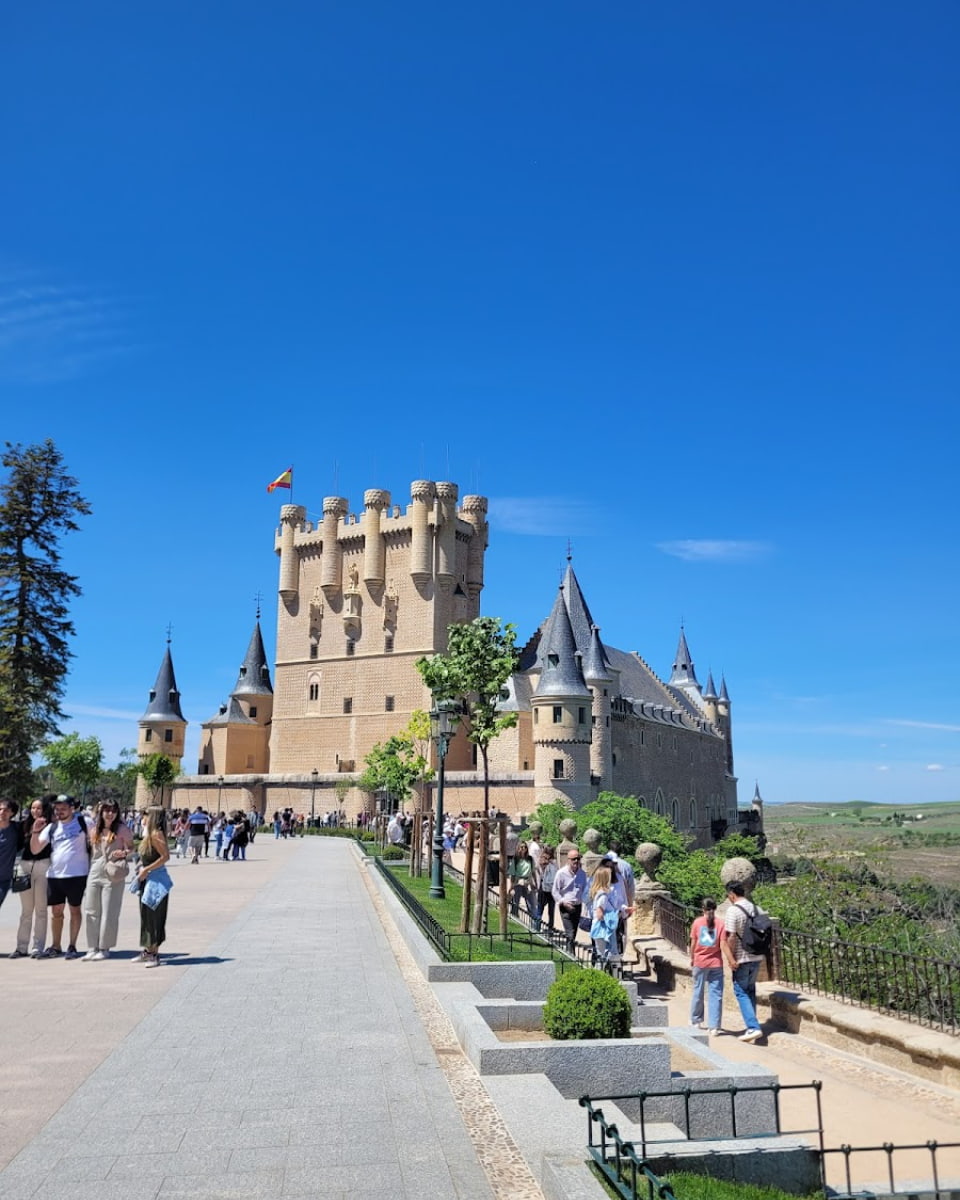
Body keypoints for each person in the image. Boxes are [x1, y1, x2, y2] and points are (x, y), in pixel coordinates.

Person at [31, 795, 90, 959]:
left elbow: (97, 837)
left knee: (75, 909)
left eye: (63, 809)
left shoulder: (84, 822)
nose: (59, 812)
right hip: (55, 875)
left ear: (72, 808)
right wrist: (35, 831)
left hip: (77, 874)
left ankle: (72, 945)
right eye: (57, 809)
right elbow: (35, 849)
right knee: (56, 911)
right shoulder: (51, 827)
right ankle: (56, 946)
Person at [82, 801, 134, 960]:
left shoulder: (122, 829)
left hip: (113, 872)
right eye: (107, 810)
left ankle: (104, 947)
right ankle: (92, 946)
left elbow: (132, 848)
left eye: (113, 811)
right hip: (95, 871)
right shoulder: (94, 829)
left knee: (109, 911)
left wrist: (124, 853)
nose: (110, 814)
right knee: (91, 910)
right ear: (101, 812)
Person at [722, 881, 765, 1042]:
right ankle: (752, 1025)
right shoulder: (757, 909)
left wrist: (731, 958)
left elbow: (731, 936)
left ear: (732, 894)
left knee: (740, 991)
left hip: (741, 957)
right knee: (750, 990)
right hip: (756, 956)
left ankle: (753, 1027)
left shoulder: (733, 911)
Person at [14, 796, 54, 957]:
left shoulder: (50, 827)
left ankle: (38, 947)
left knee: (41, 909)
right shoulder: (23, 825)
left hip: (43, 866)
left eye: (38, 808)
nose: (35, 811)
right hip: (24, 867)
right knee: (26, 910)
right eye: (32, 808)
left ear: (45, 809)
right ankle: (21, 947)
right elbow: (17, 846)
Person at [135, 806, 171, 967]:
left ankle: (154, 954)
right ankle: (148, 950)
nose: (142, 817)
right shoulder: (148, 834)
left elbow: (165, 857)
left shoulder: (156, 834)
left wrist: (146, 869)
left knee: (154, 916)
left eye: (145, 815)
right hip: (147, 880)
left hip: (156, 881)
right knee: (146, 915)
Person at [689, 898, 724, 1034]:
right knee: (716, 994)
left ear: (702, 909)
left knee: (698, 991)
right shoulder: (721, 923)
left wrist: (692, 958)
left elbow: (693, 943)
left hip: (700, 961)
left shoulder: (697, 922)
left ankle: (696, 1020)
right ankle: (714, 1025)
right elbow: (723, 943)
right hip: (716, 962)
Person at [552, 848, 587, 954]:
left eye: (578, 859)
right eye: (573, 859)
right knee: (570, 932)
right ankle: (571, 954)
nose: (576, 861)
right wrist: (563, 902)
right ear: (568, 860)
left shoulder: (582, 874)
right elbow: (555, 891)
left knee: (574, 932)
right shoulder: (561, 873)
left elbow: (584, 890)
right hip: (565, 906)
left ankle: (569, 952)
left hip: (577, 906)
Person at [588, 863, 622, 966]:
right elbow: (600, 914)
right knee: (606, 954)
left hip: (599, 927)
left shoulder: (598, 893)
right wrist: (613, 917)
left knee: (603, 954)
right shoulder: (603, 896)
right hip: (603, 928)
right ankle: (615, 973)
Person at [0, 799, 23, 912]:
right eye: (0, 809)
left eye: (6, 810)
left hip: (3, 879)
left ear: (12, 813)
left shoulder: (16, 829)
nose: (2, 812)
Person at [508, 840, 539, 924]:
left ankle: (534, 924)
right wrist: (511, 887)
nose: (523, 849)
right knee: (515, 904)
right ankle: (515, 921)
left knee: (532, 905)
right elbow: (512, 874)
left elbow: (533, 872)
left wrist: (535, 883)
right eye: (521, 847)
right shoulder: (516, 859)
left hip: (528, 883)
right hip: (518, 883)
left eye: (525, 847)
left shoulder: (530, 859)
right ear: (518, 848)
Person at [536, 846, 557, 933]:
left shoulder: (541, 860)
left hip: (543, 888)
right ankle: (550, 929)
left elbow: (537, 870)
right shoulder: (554, 862)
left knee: (539, 910)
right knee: (551, 912)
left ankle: (537, 929)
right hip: (552, 889)